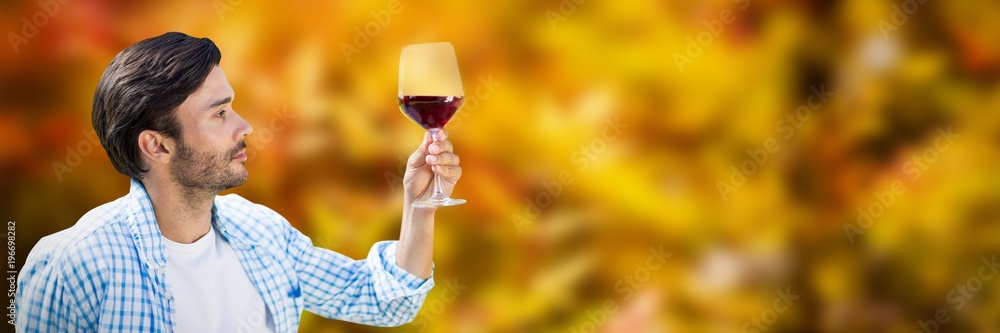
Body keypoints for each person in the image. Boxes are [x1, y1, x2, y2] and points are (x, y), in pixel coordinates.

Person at [15, 32, 462, 332]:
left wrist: (420, 207)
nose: (245, 125)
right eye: (219, 113)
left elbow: (382, 300)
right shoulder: (74, 266)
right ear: (157, 146)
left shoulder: (261, 233)